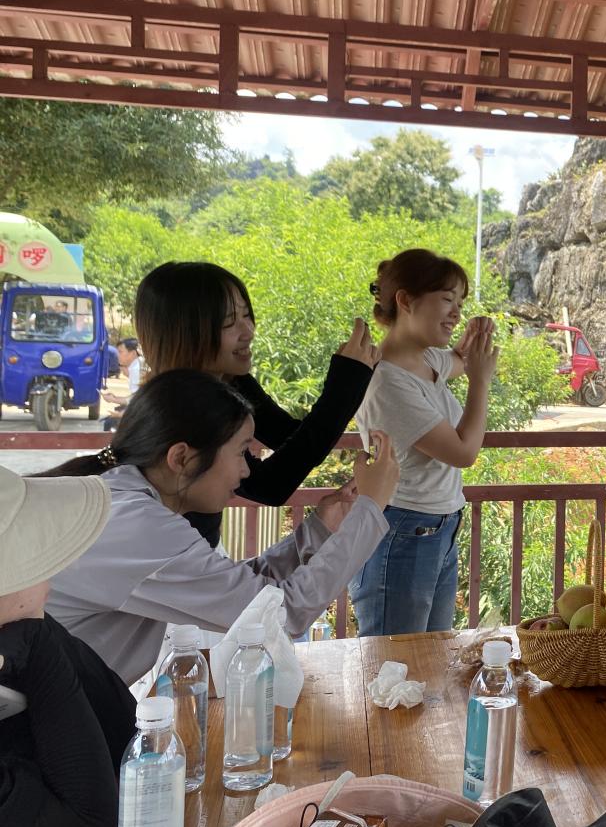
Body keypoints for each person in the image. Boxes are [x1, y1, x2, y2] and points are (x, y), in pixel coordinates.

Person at [41, 369, 400, 685]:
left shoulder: (126, 503)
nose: (246, 470)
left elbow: (244, 592)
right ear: (181, 458)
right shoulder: (137, 526)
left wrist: (319, 529)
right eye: (242, 452)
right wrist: (370, 507)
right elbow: (282, 614)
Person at [134, 261, 379, 548]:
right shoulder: (177, 408)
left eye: (246, 315)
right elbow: (269, 486)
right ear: (183, 332)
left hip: (199, 550)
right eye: (229, 321)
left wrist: (352, 381)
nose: (248, 330)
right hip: (167, 560)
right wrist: (345, 385)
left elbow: (289, 436)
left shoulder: (230, 381)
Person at [349, 248, 499, 636]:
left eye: (460, 303)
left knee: (430, 657)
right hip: (402, 531)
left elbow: (459, 359)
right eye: (447, 300)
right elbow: (463, 452)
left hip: (438, 528)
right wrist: (481, 383)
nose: (456, 313)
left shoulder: (427, 359)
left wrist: (474, 338)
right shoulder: (387, 381)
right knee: (394, 661)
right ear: (405, 300)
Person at [0, 465, 135, 827]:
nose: (50, 578)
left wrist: (34, 640)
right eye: (34, 559)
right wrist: (36, 644)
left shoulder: (26, 629)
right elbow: (90, 825)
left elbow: (127, 726)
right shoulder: (29, 636)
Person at [102, 338, 143, 430]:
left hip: (146, 414)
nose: (117, 355)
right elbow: (135, 397)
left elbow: (139, 401)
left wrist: (121, 414)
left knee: (110, 423)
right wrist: (114, 399)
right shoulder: (137, 366)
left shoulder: (136, 369)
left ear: (133, 353)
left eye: (120, 352)